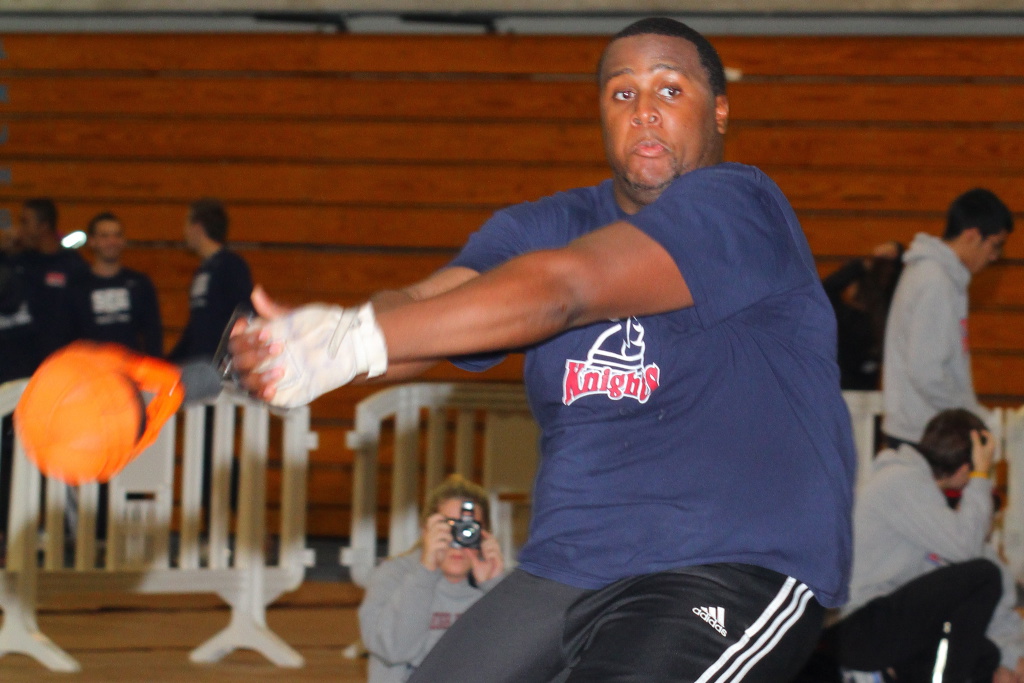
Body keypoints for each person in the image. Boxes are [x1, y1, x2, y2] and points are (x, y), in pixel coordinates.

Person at [230, 18, 856, 681]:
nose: (644, 111)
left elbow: (566, 290)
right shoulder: (541, 225)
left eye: (670, 91)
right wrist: (332, 332)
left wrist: (357, 340)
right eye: (622, 94)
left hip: (724, 566)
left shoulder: (741, 206)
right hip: (564, 568)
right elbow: (422, 309)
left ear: (720, 111)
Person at [829, 408, 1012, 682]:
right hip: (861, 628)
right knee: (984, 576)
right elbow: (968, 551)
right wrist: (981, 478)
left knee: (985, 656)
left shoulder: (915, 487)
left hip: (877, 626)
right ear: (965, 470)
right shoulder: (903, 482)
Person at [882, 189, 1013, 449]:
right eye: (995, 245)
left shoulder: (939, 276)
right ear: (972, 235)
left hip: (924, 428)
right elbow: (926, 372)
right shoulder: (935, 281)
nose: (994, 256)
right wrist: (974, 418)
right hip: (922, 433)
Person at [358, 475, 506, 683]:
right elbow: (395, 650)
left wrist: (496, 587)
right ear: (427, 530)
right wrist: (425, 572)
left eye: (469, 529)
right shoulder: (393, 575)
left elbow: (525, 661)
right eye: (450, 527)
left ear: (486, 535)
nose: (458, 540)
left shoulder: (499, 585)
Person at [167, 198, 252, 363]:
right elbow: (195, 326)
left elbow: (244, 313)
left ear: (197, 228)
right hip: (199, 366)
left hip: (220, 369)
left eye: (186, 224)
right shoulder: (202, 271)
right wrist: (169, 361)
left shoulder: (231, 265)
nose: (184, 232)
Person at [69, 212, 163, 356]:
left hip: (130, 370)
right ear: (92, 241)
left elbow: (153, 335)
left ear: (123, 240)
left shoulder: (140, 284)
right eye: (105, 236)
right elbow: (65, 336)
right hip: (90, 372)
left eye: (117, 235)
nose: (112, 241)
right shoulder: (77, 286)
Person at [9, 198, 89, 358]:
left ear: (43, 226)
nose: (19, 229)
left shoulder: (72, 264)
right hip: (20, 358)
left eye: (25, 222)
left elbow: (84, 316)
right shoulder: (18, 260)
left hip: (62, 358)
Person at [822, 240, 904, 391]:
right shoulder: (884, 312)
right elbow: (895, 278)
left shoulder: (845, 316)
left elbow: (826, 290)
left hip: (845, 392)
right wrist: (896, 250)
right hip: (867, 392)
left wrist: (860, 266)